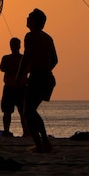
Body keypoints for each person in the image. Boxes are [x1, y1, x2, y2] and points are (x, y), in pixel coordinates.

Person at [17, 9, 58, 153]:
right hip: (47, 78)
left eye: (29, 17)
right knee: (31, 110)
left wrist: (20, 76)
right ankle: (44, 143)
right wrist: (46, 69)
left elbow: (26, 57)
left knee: (28, 111)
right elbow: (55, 60)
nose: (27, 18)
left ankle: (41, 144)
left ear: (34, 21)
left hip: (39, 77)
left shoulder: (30, 36)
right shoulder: (48, 37)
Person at [0, 37, 29, 137]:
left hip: (21, 87)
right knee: (7, 111)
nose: (14, 47)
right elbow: (2, 67)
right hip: (9, 87)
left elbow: (28, 69)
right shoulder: (6, 58)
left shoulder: (23, 58)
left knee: (23, 112)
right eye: (12, 45)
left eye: (16, 45)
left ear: (19, 46)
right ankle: (6, 131)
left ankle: (26, 131)